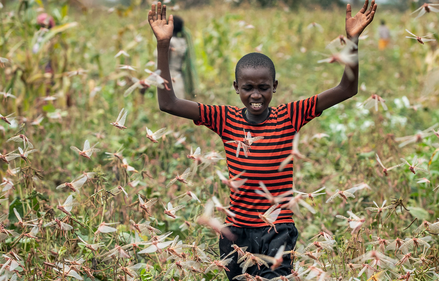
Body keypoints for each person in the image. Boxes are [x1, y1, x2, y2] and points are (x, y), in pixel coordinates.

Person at [147, 0, 377, 279]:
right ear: (236, 88)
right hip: (235, 233)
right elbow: (168, 103)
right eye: (248, 88)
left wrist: (352, 40)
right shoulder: (224, 118)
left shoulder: (291, 114)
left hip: (277, 231)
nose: (256, 95)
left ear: (275, 87)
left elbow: (347, 88)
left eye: (263, 88)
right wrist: (162, 46)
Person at [168, 15, 197, 99]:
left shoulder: (169, 43)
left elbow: (164, 65)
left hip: (169, 79)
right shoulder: (183, 42)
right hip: (179, 78)